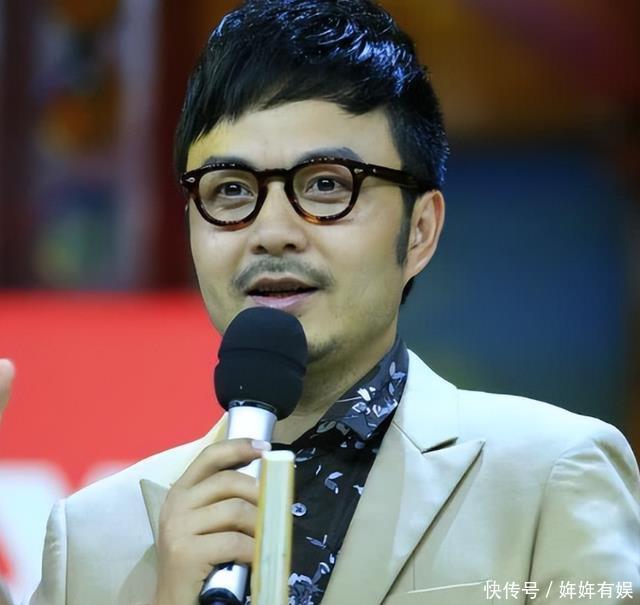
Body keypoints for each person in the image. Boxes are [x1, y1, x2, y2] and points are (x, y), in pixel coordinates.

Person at [18, 1, 640, 604]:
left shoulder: (551, 475)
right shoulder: (91, 540)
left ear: (419, 231)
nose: (272, 231)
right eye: (230, 190)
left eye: (325, 185)